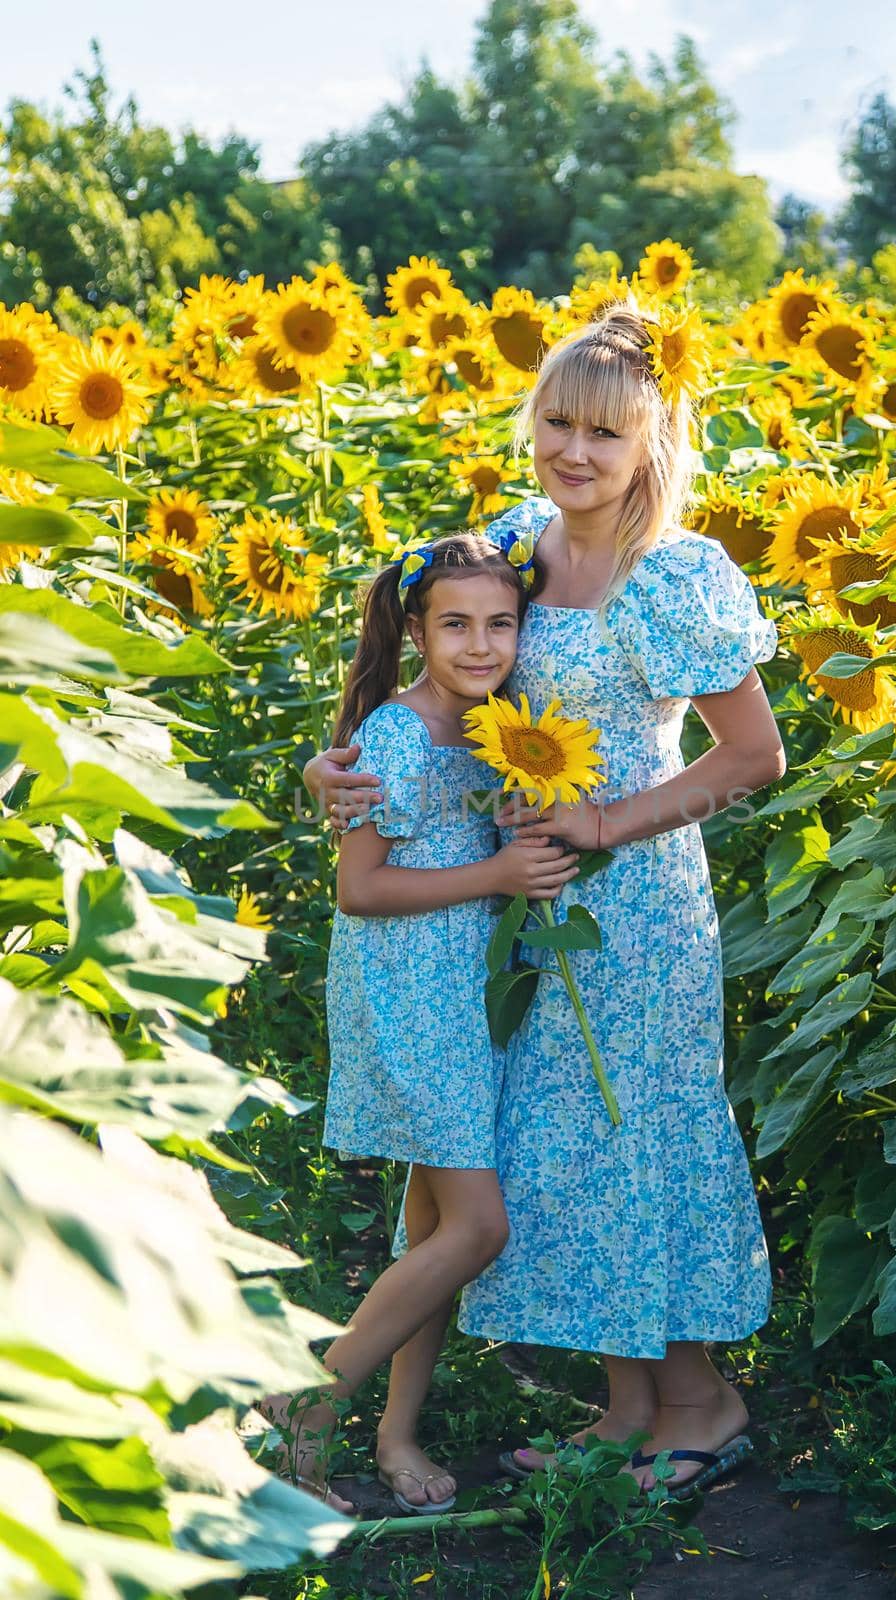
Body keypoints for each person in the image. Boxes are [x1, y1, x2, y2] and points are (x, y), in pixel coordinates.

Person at [303, 302, 786, 1501]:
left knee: (646, 1131)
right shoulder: (520, 544)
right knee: (571, 1145)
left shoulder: (669, 574)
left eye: (605, 435)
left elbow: (750, 757)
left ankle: (700, 1402)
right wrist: (339, 766)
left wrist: (605, 822)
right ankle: (626, 1410)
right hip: (531, 901)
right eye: (557, 423)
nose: (575, 453)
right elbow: (427, 657)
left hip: (638, 903)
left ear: (652, 445)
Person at [266, 532, 578, 1514]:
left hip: (462, 991)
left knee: (432, 1222)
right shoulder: (400, 734)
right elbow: (360, 888)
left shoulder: (486, 724)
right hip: (408, 995)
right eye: (455, 624)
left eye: (500, 623)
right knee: (477, 1225)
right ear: (414, 629)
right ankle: (308, 1403)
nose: (481, 645)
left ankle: (396, 1437)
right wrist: (497, 872)